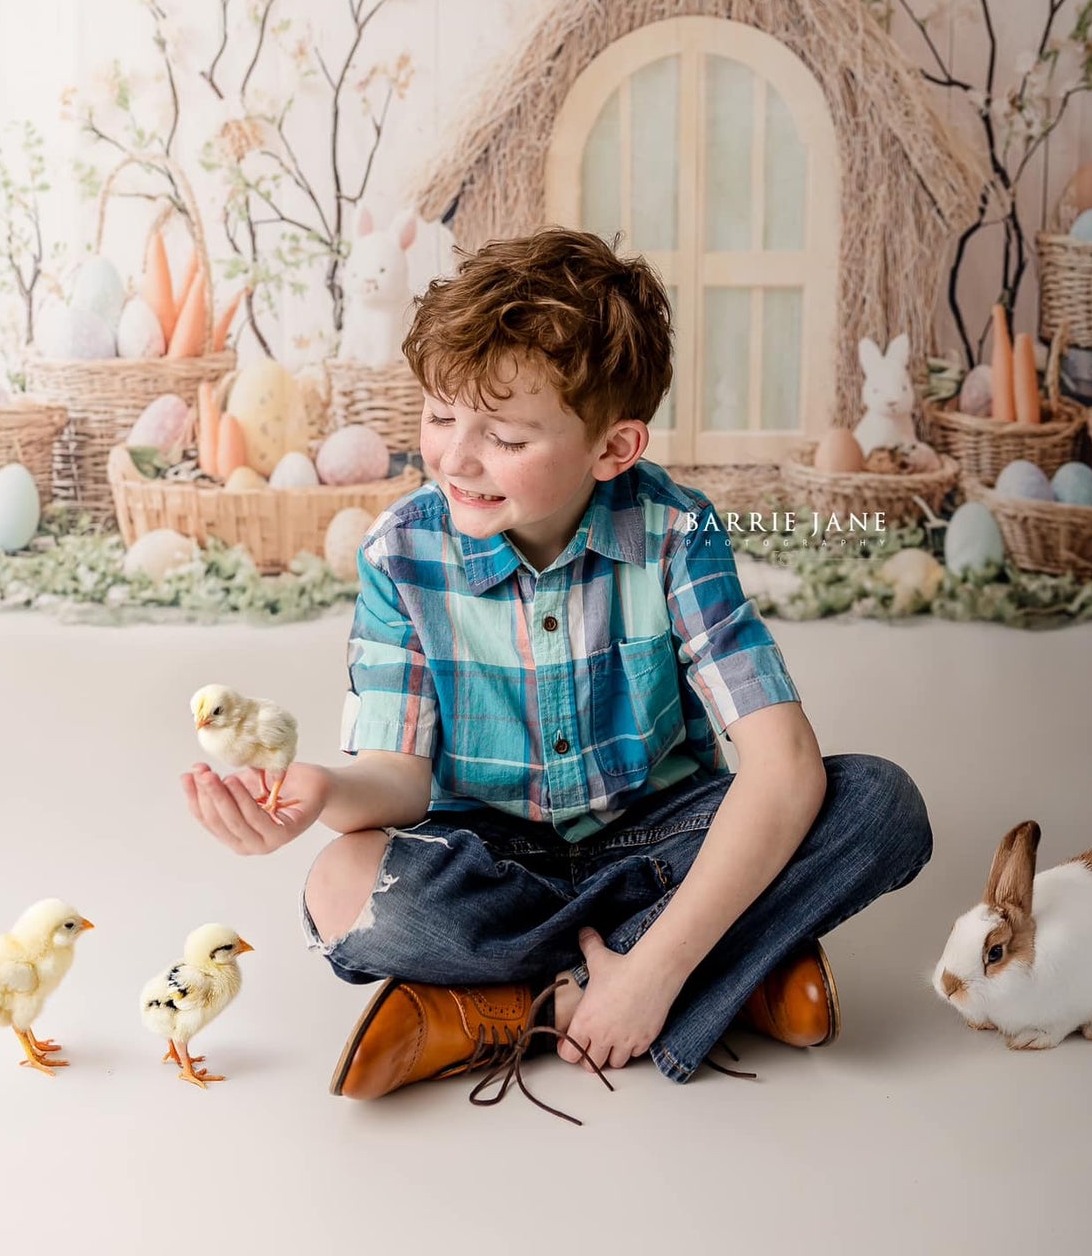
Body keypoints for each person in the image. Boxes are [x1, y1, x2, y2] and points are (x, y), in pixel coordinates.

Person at [182, 227, 933, 1121]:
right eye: (439, 416)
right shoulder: (400, 553)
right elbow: (397, 780)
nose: (455, 457)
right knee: (340, 886)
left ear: (612, 448)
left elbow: (781, 764)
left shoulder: (675, 533)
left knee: (881, 805)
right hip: (489, 857)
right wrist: (324, 791)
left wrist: (649, 974)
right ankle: (730, 964)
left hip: (656, 838)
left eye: (501, 436)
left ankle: (512, 1004)